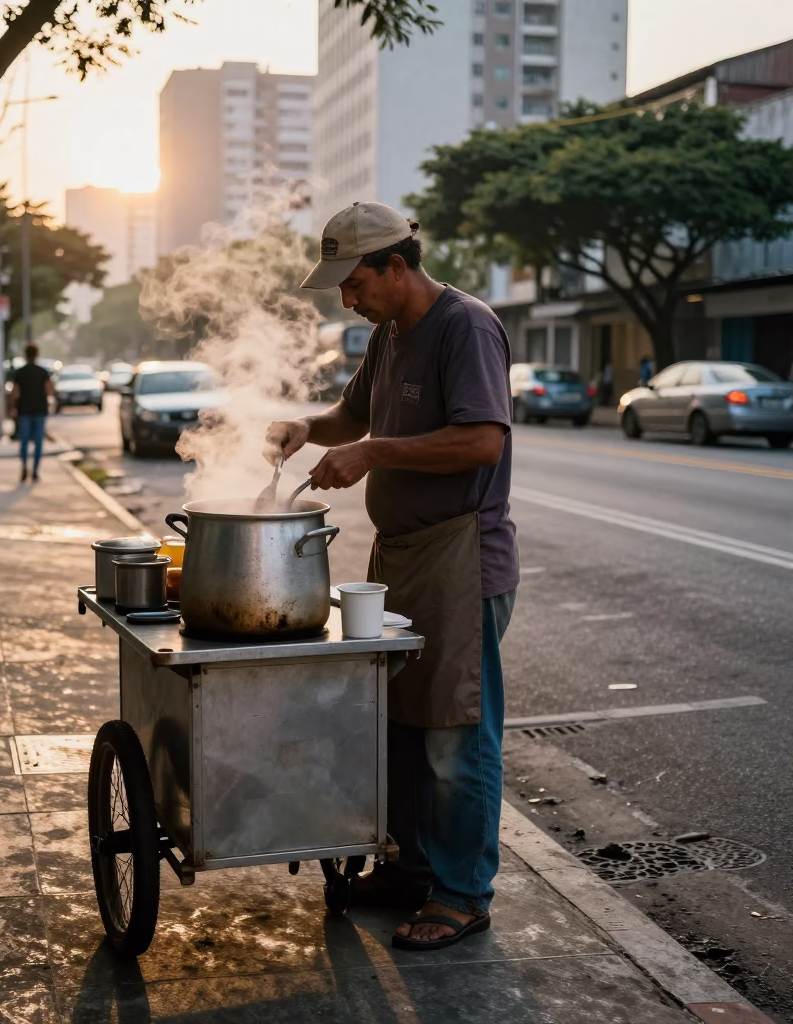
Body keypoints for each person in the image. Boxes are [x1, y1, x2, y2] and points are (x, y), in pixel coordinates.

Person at [266, 202, 519, 953]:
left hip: (459, 561)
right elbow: (353, 414)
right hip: (401, 556)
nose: (347, 299)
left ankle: (464, 893)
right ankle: (413, 870)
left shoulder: (464, 327)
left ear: (396, 268)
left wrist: (373, 454)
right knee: (402, 726)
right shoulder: (388, 335)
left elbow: (480, 441)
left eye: (354, 283)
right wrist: (304, 429)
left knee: (455, 736)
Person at [10, 342, 54, 482]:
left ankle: (24, 465)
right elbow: (49, 391)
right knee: (38, 441)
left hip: (24, 410)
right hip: (40, 410)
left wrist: (12, 407)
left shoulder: (20, 372)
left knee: (24, 440)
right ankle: (35, 470)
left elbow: (14, 392)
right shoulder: (42, 372)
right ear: (37, 355)